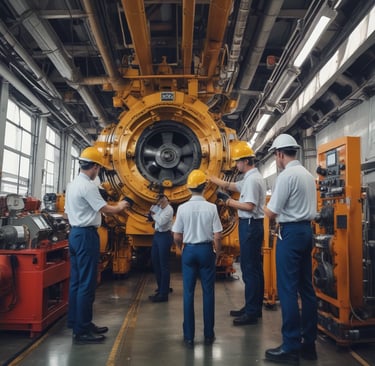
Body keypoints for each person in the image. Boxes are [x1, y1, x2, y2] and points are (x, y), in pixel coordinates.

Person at [65, 146, 132, 345]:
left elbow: (70, 213)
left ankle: (77, 322)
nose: (99, 172)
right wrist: (123, 205)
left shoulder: (73, 184)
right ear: (94, 167)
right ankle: (82, 330)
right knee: (87, 283)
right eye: (99, 168)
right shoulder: (88, 186)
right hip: (86, 236)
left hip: (76, 234)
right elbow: (105, 209)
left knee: (77, 282)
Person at [263, 134, 318, 364]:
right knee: (307, 288)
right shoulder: (307, 175)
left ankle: (290, 347)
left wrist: (259, 207)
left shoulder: (286, 177)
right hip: (307, 232)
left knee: (287, 290)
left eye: (275, 155)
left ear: (279, 154)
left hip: (291, 234)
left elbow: (272, 211)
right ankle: (308, 344)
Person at [210, 140, 266, 326]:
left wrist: (227, 202)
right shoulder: (252, 178)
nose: (236, 165)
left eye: (237, 162)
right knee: (255, 269)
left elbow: (249, 206)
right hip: (254, 226)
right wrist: (212, 179)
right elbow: (233, 186)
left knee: (249, 270)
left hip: (249, 225)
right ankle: (253, 307)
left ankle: (251, 312)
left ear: (246, 161)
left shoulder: (252, 181)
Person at [172, 169, 222, 347]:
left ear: (189, 188)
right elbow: (217, 236)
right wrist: (217, 253)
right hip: (206, 250)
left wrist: (181, 248)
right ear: (205, 186)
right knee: (208, 293)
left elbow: (177, 235)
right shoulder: (212, 208)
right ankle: (208, 335)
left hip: (189, 251)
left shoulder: (183, 208)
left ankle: (189, 337)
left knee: (188, 293)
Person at [148, 194, 174, 302]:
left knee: (164, 265)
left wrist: (153, 215)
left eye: (159, 202)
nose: (157, 204)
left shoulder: (169, 210)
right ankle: (161, 288)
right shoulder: (159, 208)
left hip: (165, 236)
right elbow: (154, 217)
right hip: (157, 235)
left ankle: (164, 294)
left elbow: (161, 221)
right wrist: (152, 214)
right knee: (155, 262)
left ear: (164, 201)